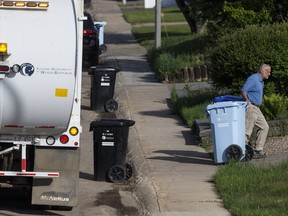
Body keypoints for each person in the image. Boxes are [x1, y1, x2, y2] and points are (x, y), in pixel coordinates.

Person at [241, 64, 271, 158]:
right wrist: (247, 101)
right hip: (251, 107)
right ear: (262, 71)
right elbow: (243, 91)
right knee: (247, 130)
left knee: (264, 127)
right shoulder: (253, 79)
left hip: (257, 108)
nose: (269, 74)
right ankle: (242, 152)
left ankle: (258, 150)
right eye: (268, 71)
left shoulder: (261, 81)